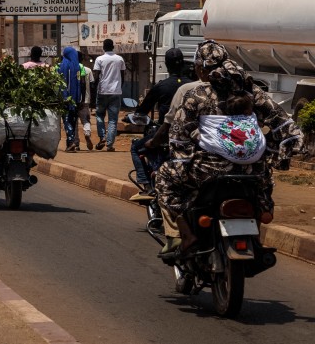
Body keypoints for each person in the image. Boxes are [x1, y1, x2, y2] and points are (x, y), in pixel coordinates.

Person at [154, 40, 300, 260]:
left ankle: (186, 235)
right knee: (263, 190)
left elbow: (179, 135)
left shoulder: (196, 95)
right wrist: (272, 150)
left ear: (202, 68)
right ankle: (256, 240)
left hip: (208, 170)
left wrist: (183, 160)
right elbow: (284, 124)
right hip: (253, 171)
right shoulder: (253, 91)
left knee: (164, 177)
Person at [129, 47, 189, 194]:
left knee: (135, 148)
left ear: (167, 65)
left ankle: (146, 186)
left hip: (165, 133)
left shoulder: (161, 86)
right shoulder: (193, 85)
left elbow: (142, 110)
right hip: (189, 134)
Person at [92, 39, 126, 151]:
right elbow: (123, 76)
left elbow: (96, 77)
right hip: (115, 92)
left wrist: (94, 91)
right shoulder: (120, 59)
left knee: (99, 115)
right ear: (113, 47)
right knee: (113, 120)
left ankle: (102, 137)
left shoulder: (99, 59)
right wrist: (119, 87)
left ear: (103, 47)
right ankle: (109, 145)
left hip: (102, 91)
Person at [59, 46, 84, 152]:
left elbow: (60, 84)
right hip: (76, 98)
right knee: (73, 120)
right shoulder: (77, 67)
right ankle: (72, 142)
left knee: (66, 120)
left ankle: (70, 142)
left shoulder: (62, 66)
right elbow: (80, 83)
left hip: (65, 98)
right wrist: (79, 99)